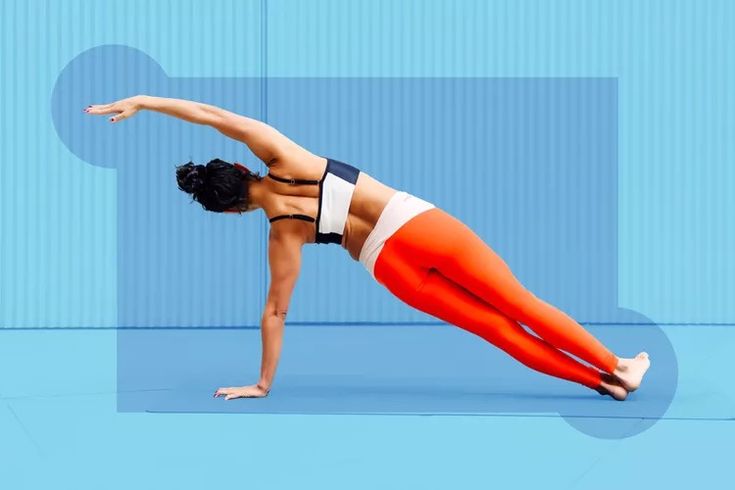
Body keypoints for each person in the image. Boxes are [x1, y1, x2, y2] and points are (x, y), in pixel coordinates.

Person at [85, 95, 651, 401]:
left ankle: (602, 383)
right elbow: (213, 116)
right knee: (518, 303)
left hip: (389, 268)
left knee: (494, 329)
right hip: (422, 229)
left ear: (232, 211)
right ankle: (618, 365)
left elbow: (275, 312)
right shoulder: (287, 159)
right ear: (239, 166)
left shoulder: (281, 234)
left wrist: (262, 384)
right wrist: (144, 101)